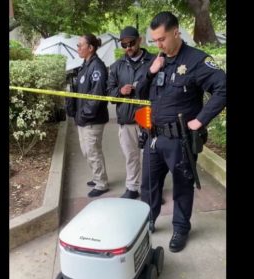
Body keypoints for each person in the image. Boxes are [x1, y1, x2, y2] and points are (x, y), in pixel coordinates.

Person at [136, 12, 227, 252]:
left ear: (176, 32)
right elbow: (140, 94)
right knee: (148, 184)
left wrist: (200, 120)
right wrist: (150, 72)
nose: (159, 44)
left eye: (162, 39)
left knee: (182, 186)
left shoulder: (196, 60)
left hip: (180, 140)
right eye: (155, 40)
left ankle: (180, 228)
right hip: (154, 137)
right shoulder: (158, 61)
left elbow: (223, 89)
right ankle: (148, 219)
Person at [107, 26, 154, 199]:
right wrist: (121, 91)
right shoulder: (116, 66)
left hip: (148, 118)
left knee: (151, 158)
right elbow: (109, 94)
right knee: (131, 156)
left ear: (140, 40)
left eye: (131, 43)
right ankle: (132, 188)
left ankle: (151, 189)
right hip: (126, 119)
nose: (128, 48)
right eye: (124, 45)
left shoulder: (154, 62)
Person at [68, 34, 110, 197]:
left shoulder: (97, 67)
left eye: (80, 45)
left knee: (93, 152)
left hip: (92, 119)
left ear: (90, 48)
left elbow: (96, 97)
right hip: (83, 118)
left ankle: (101, 183)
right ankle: (97, 176)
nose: (77, 48)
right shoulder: (85, 65)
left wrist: (83, 115)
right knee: (87, 151)